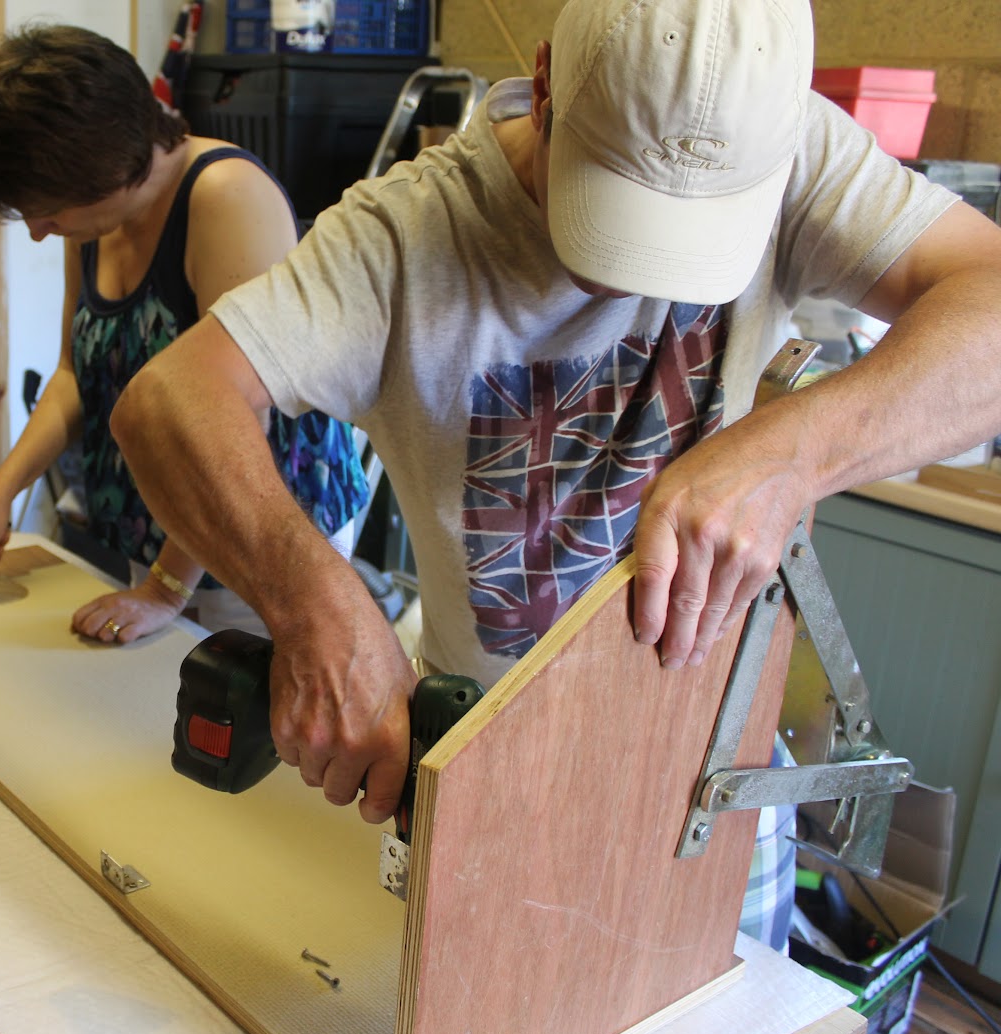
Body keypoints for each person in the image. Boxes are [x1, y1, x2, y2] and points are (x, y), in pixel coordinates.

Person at [111, 0, 1001, 950]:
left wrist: (789, 452)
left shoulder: (784, 146)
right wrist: (316, 610)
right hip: (492, 769)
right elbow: (167, 403)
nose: (644, 279)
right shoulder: (407, 233)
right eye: (619, 212)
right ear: (544, 87)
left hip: (713, 767)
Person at [0, 25, 367, 643]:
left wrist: (164, 590)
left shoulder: (225, 197)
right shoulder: (94, 220)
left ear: (102, 165)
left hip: (264, 528)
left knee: (251, 697)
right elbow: (73, 378)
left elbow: (240, 426)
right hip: (168, 529)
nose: (37, 230)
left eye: (46, 210)